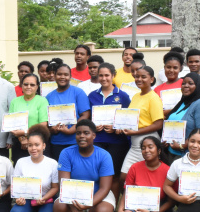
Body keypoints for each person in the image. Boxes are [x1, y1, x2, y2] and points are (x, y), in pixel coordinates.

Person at [54, 120, 115, 212]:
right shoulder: (66, 153)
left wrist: (87, 205)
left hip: (99, 194)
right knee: (59, 207)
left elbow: (105, 188)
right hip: (72, 195)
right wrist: (74, 208)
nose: (81, 136)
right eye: (78, 133)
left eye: (86, 133)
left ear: (94, 135)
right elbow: (64, 185)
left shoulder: (104, 156)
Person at [117, 136, 174, 212]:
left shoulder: (168, 171)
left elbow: (171, 201)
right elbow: (127, 191)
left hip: (159, 208)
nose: (146, 150)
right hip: (136, 205)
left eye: (150, 147)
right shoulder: (135, 167)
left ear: (159, 150)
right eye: (143, 148)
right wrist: (120, 210)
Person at [87, 63, 131, 202]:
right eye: (101, 75)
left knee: (114, 176)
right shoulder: (92, 95)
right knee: (97, 174)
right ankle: (97, 205)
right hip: (97, 141)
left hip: (117, 142)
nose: (104, 78)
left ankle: (112, 207)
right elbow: (88, 118)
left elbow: (128, 119)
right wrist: (93, 126)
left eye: (107, 75)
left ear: (113, 76)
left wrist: (117, 127)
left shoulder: (123, 96)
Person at [9, 125, 59, 212]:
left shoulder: (52, 163)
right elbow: (16, 186)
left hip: (46, 199)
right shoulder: (21, 162)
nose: (33, 148)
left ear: (44, 146)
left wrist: (44, 198)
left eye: (37, 145)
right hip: (27, 199)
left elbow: (55, 187)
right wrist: (18, 198)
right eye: (30, 145)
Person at [120, 66, 164, 179]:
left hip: (148, 142)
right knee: (124, 176)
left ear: (152, 79)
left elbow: (158, 124)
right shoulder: (136, 96)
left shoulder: (153, 98)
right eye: (137, 76)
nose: (139, 79)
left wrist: (135, 132)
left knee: (141, 177)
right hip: (135, 144)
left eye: (143, 77)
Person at [162, 73, 200, 161]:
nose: (186, 86)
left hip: (187, 156)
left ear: (198, 86)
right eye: (184, 83)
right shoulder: (183, 102)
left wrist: (182, 146)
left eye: (190, 83)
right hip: (171, 153)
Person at [46, 63, 91, 162]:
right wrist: (52, 129)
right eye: (59, 74)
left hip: (75, 141)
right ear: (54, 76)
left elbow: (85, 114)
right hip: (56, 142)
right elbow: (47, 119)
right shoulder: (49, 96)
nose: (62, 77)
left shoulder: (78, 92)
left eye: (66, 75)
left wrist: (72, 130)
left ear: (70, 76)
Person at [9, 73, 49, 164]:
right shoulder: (15, 101)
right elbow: (11, 123)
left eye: (32, 85)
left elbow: (43, 125)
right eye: (26, 84)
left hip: (37, 142)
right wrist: (22, 139)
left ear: (37, 87)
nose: (28, 87)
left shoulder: (42, 101)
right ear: (21, 86)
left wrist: (26, 135)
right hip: (19, 143)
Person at [154, 50, 185, 116]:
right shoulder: (157, 89)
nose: (171, 70)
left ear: (180, 69)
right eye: (168, 67)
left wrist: (166, 112)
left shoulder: (185, 84)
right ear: (164, 68)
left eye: (175, 68)